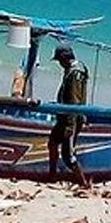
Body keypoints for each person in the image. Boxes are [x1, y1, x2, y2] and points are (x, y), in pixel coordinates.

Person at [46, 45, 91, 188]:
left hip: (71, 119)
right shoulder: (74, 70)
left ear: (65, 58)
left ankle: (83, 183)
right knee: (52, 143)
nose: (60, 64)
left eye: (60, 60)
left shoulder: (75, 73)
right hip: (64, 117)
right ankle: (52, 176)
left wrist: (70, 125)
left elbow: (74, 99)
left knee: (68, 154)